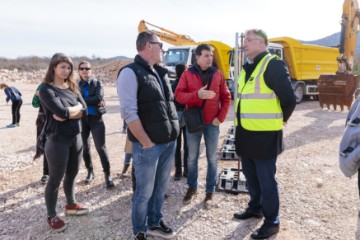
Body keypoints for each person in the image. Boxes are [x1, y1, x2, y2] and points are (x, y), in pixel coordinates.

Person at [233, 29, 296, 239]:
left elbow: (289, 99)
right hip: (245, 133)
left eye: (248, 40)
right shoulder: (246, 68)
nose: (244, 44)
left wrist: (281, 120)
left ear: (261, 43)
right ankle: (255, 207)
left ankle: (272, 222)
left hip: (265, 136)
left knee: (266, 180)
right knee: (251, 177)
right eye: (244, 41)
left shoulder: (273, 64)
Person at [117, 31, 179, 240]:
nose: (163, 48)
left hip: (169, 142)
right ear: (148, 46)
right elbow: (128, 112)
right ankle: (140, 230)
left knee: (160, 188)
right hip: (148, 146)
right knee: (144, 193)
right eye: (160, 44)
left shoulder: (160, 72)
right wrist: (146, 142)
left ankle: (154, 222)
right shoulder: (130, 72)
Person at [175, 44, 231, 206]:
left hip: (212, 124)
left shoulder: (218, 74)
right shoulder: (187, 74)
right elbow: (178, 96)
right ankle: (192, 187)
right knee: (192, 158)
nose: (210, 58)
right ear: (197, 57)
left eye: (211, 55)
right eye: (206, 55)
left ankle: (209, 190)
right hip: (194, 123)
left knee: (212, 159)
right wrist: (196, 95)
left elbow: (226, 98)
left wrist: (220, 118)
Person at [39, 53, 89, 232]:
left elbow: (84, 110)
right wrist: (68, 112)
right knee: (55, 179)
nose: (66, 70)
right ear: (53, 68)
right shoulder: (46, 89)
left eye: (69, 67)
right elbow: (60, 112)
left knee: (72, 174)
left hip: (76, 137)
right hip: (57, 140)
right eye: (63, 67)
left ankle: (71, 205)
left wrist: (69, 112)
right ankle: (51, 215)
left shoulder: (72, 87)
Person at [77, 61, 115, 189]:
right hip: (82, 120)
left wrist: (82, 100)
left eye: (87, 68)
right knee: (85, 148)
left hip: (96, 119)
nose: (84, 70)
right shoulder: (75, 86)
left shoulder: (98, 83)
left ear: (91, 70)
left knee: (101, 148)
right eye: (82, 68)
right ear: (78, 71)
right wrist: (89, 100)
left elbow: (98, 98)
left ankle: (107, 175)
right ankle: (90, 172)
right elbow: (74, 100)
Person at [172, 64, 188, 181]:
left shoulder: (173, 84)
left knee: (177, 146)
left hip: (176, 115)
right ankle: (186, 170)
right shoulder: (186, 83)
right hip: (186, 114)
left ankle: (178, 171)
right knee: (187, 145)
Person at [32, 83, 49, 183]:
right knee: (47, 146)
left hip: (63, 120)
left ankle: (62, 172)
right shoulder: (43, 86)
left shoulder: (67, 85)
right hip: (44, 121)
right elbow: (35, 104)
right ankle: (46, 173)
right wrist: (37, 95)